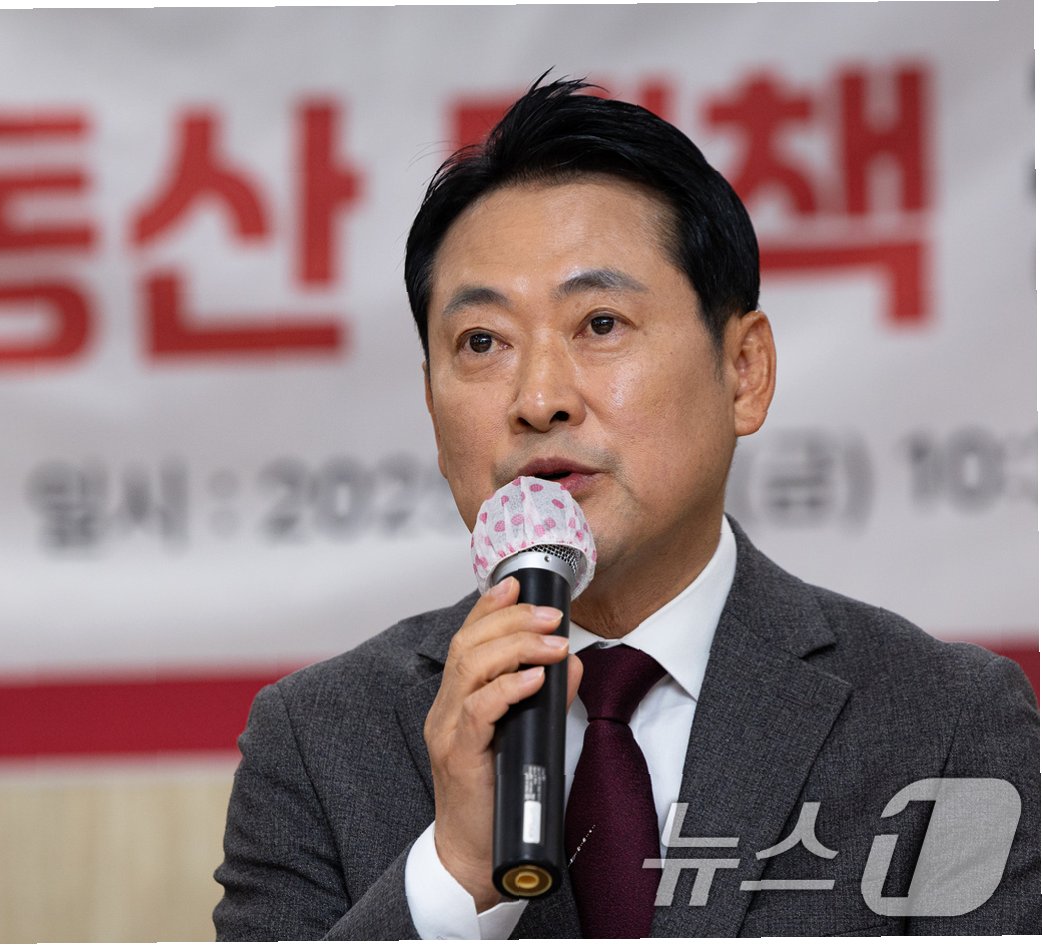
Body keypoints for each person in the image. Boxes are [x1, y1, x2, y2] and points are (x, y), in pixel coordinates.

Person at [212, 75, 1041, 938]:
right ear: (430, 401)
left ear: (744, 371)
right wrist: (455, 878)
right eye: (482, 342)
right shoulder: (317, 741)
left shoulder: (944, 720)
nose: (539, 398)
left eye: (600, 324)